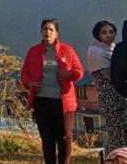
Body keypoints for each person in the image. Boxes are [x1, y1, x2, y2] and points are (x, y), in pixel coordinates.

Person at [21, 18, 83, 164]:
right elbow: (24, 74)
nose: (47, 32)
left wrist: (67, 74)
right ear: (40, 32)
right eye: (45, 29)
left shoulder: (67, 50)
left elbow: (79, 71)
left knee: (65, 138)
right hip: (41, 101)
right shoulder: (34, 51)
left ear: (57, 33)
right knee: (47, 139)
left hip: (63, 103)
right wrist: (29, 83)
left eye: (51, 29)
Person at [86, 20, 127, 153]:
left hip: (121, 97)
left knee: (125, 134)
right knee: (116, 135)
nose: (108, 35)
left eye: (111, 32)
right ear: (97, 35)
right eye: (104, 32)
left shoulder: (115, 50)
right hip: (110, 98)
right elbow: (111, 75)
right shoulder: (95, 51)